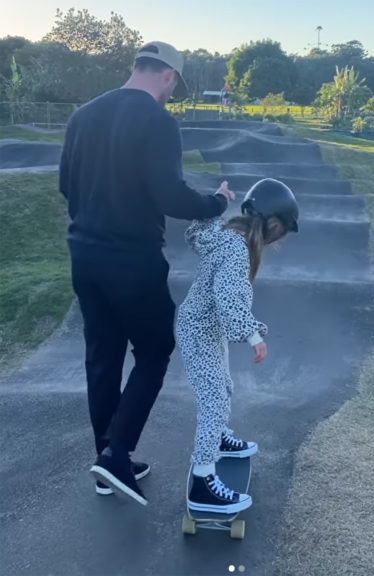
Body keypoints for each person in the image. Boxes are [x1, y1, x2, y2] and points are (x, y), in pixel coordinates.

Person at [60, 41, 234, 506]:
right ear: (169, 77)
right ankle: (117, 453)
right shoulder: (158, 121)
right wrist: (216, 202)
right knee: (156, 349)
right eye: (173, 85)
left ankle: (106, 463)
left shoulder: (82, 116)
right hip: (132, 260)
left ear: (136, 66)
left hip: (84, 255)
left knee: (102, 356)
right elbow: (171, 197)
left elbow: (65, 185)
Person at [177, 178, 299, 514]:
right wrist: (252, 336)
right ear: (273, 226)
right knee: (213, 400)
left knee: (223, 387)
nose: (280, 240)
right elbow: (228, 298)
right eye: (283, 232)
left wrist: (250, 327)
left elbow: (225, 297)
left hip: (203, 327)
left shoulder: (229, 238)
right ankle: (203, 482)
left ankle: (218, 439)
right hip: (200, 332)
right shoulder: (236, 249)